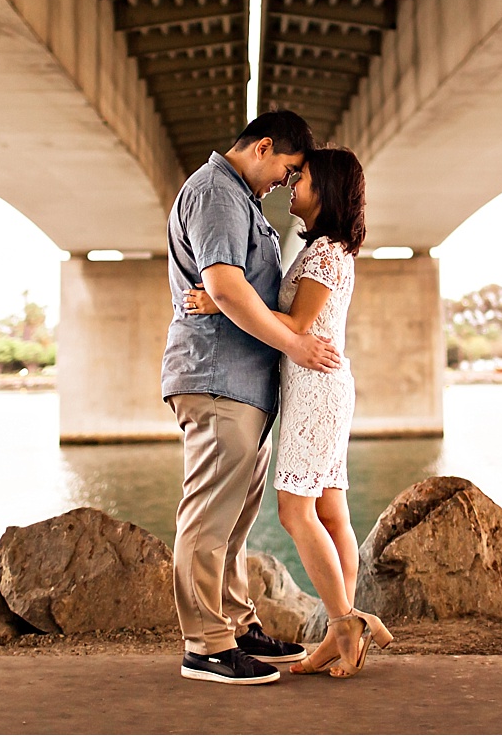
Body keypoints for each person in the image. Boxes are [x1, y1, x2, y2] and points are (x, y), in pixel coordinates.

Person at [185, 147, 392, 678]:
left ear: (323, 190)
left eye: (300, 179)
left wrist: (218, 302)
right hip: (319, 385)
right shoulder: (328, 249)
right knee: (330, 513)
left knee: (295, 513)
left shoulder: (325, 255)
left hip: (314, 388)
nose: (291, 185)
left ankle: (344, 623)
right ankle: (338, 633)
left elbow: (298, 326)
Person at [162, 111, 342, 685]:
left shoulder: (243, 201)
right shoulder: (217, 192)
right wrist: (295, 342)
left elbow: (243, 291)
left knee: (235, 520)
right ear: (263, 147)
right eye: (287, 170)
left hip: (244, 383)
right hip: (217, 377)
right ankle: (206, 646)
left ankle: (236, 627)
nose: (285, 184)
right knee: (210, 517)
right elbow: (225, 285)